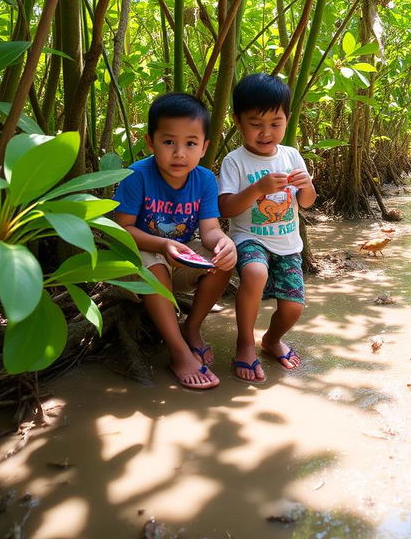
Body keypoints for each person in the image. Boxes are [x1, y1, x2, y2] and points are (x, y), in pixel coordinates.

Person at [114, 92, 236, 390]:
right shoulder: (136, 176)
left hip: (176, 260)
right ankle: (179, 351)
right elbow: (121, 229)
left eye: (191, 143)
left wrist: (224, 242)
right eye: (169, 142)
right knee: (153, 263)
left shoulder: (205, 179)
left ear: (205, 146)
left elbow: (209, 229)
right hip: (135, 268)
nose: (180, 152)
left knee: (222, 260)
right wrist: (162, 245)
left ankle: (191, 329)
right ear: (150, 142)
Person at [218, 73, 316, 382]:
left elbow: (307, 202)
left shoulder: (291, 156)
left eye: (275, 123)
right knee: (255, 273)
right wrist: (257, 189)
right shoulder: (235, 161)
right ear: (238, 121)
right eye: (256, 124)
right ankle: (245, 343)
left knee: (293, 308)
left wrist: (308, 184)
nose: (266, 132)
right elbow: (226, 208)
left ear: (287, 120)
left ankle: (271, 340)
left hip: (288, 244)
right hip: (249, 238)